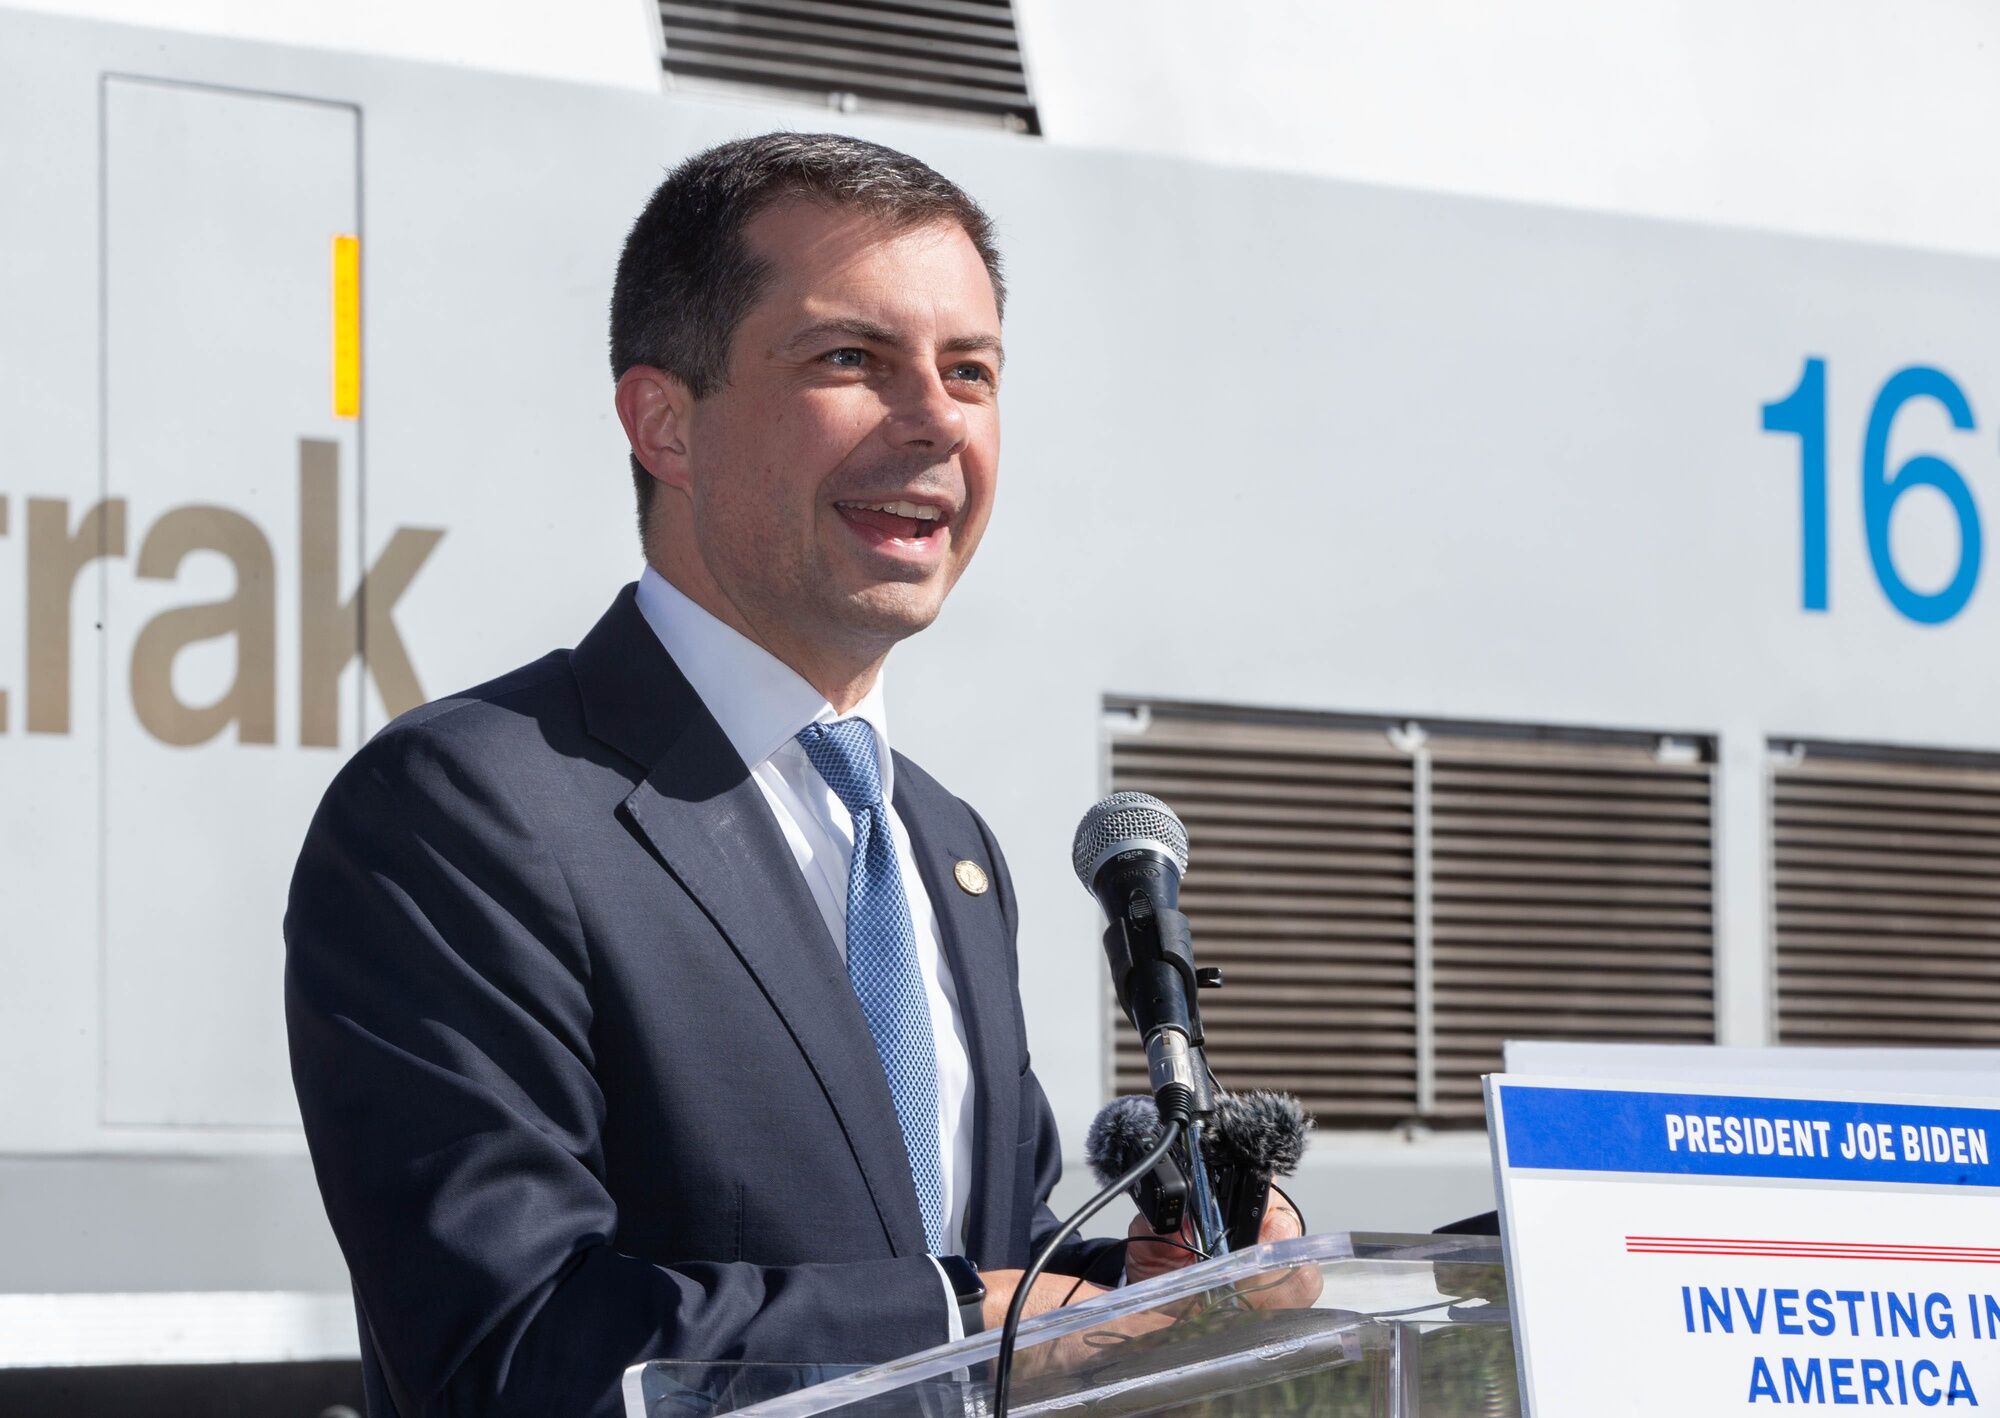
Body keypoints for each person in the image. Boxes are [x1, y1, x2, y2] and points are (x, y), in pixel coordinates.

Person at [284, 131, 1299, 1418]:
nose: (934, 418)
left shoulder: (945, 842)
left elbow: (968, 1254)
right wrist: (968, 1309)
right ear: (665, 421)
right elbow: (512, 1340)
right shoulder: (469, 807)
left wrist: (1135, 1279)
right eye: (850, 360)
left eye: (969, 370)